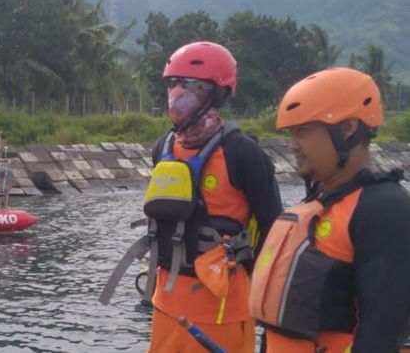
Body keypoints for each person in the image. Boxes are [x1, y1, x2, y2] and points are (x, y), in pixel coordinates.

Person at [249, 67, 410, 352]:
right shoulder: (317, 203)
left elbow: (383, 329)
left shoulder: (385, 209)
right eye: (291, 133)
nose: (293, 146)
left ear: (347, 128)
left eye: (303, 131)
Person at [145, 41, 283, 353]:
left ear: (217, 93)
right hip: (166, 303)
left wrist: (266, 301)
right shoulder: (163, 147)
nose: (178, 93)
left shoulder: (244, 154)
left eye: (192, 85)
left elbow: (274, 231)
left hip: (224, 310)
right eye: (172, 83)